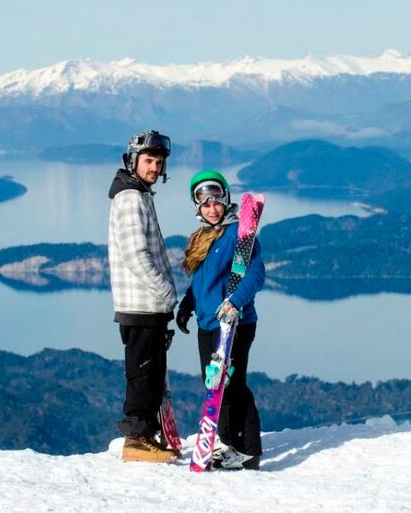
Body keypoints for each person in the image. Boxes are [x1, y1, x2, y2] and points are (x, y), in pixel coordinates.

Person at [176, 170, 266, 470]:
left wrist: (235, 303)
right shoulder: (203, 237)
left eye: (216, 202)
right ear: (197, 207)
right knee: (215, 385)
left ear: (225, 200)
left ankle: (248, 449)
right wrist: (188, 304)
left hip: (235, 323)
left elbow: (255, 275)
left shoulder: (239, 234)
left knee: (233, 384)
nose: (212, 209)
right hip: (208, 323)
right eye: (205, 204)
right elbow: (202, 281)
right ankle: (228, 442)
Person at [107, 129, 178, 463]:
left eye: (159, 162)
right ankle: (136, 440)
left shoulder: (140, 194)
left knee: (150, 373)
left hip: (148, 305)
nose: (154, 167)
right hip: (141, 305)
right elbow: (136, 255)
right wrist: (165, 291)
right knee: (143, 373)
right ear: (133, 160)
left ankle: (145, 436)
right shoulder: (130, 198)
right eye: (149, 160)